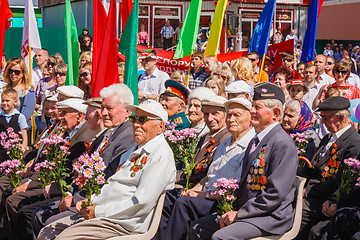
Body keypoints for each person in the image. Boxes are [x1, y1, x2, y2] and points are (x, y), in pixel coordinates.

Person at [37, 99, 176, 240]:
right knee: (47, 231)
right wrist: (90, 201)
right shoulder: (139, 149)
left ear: (160, 126)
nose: (135, 125)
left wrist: (98, 211)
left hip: (122, 223)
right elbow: (116, 186)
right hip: (106, 215)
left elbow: (141, 203)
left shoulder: (159, 154)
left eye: (142, 119)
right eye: (134, 119)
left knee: (63, 238)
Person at [188, 82, 298, 240]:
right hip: (250, 211)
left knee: (220, 237)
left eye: (257, 107)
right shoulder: (258, 139)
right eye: (252, 106)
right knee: (198, 227)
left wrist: (240, 213)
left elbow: (274, 194)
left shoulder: (282, 143)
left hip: (269, 217)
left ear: (276, 113)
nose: (252, 111)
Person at [31, 85, 136, 238]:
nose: (104, 113)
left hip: (95, 203)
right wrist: (70, 192)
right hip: (80, 195)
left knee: (48, 222)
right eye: (103, 108)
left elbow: (108, 177)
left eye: (109, 109)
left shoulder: (127, 136)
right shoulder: (108, 132)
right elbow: (84, 168)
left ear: (127, 111)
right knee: (39, 214)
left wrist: (76, 199)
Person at [155, 97, 255, 240]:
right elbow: (209, 176)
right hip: (207, 194)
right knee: (170, 195)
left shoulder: (250, 146)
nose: (231, 119)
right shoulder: (226, 142)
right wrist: (193, 191)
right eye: (230, 115)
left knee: (184, 204)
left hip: (223, 201)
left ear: (250, 118)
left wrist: (200, 195)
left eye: (237, 115)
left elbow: (234, 189)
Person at [296, 96, 360, 240]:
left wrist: (308, 191)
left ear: (341, 117)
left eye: (325, 118)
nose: (322, 122)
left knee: (299, 212)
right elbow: (313, 166)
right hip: (312, 191)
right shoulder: (329, 138)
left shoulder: (354, 142)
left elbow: (341, 180)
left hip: (324, 198)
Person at [3, 59, 36, 138]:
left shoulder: (28, 91)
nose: (13, 74)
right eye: (11, 71)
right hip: (3, 129)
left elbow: (27, 114)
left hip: (21, 131)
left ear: (23, 73)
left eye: (17, 72)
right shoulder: (3, 89)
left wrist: (12, 126)